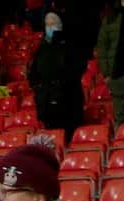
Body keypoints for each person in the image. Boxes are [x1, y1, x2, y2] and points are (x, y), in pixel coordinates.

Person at [28, 12, 85, 142]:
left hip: (68, 102)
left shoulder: (70, 45)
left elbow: (76, 70)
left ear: (60, 25)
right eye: (47, 24)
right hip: (47, 103)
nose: (49, 27)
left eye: (52, 24)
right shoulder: (41, 48)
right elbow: (34, 74)